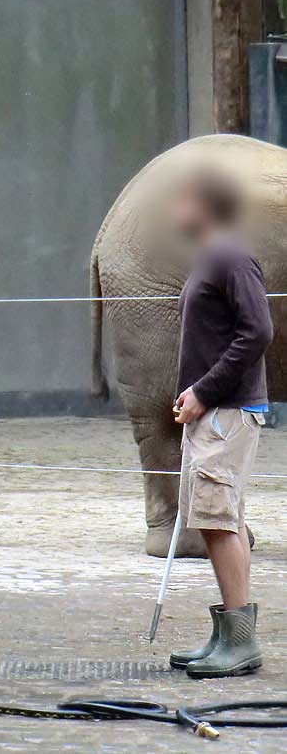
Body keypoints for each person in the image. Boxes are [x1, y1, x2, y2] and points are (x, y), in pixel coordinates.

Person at [168, 172, 273, 679]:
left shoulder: (231, 257)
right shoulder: (212, 257)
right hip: (212, 412)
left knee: (217, 520)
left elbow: (258, 332)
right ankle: (227, 633)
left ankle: (242, 642)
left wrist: (205, 392)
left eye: (182, 198)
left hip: (226, 413)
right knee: (216, 521)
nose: (174, 207)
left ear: (205, 206)